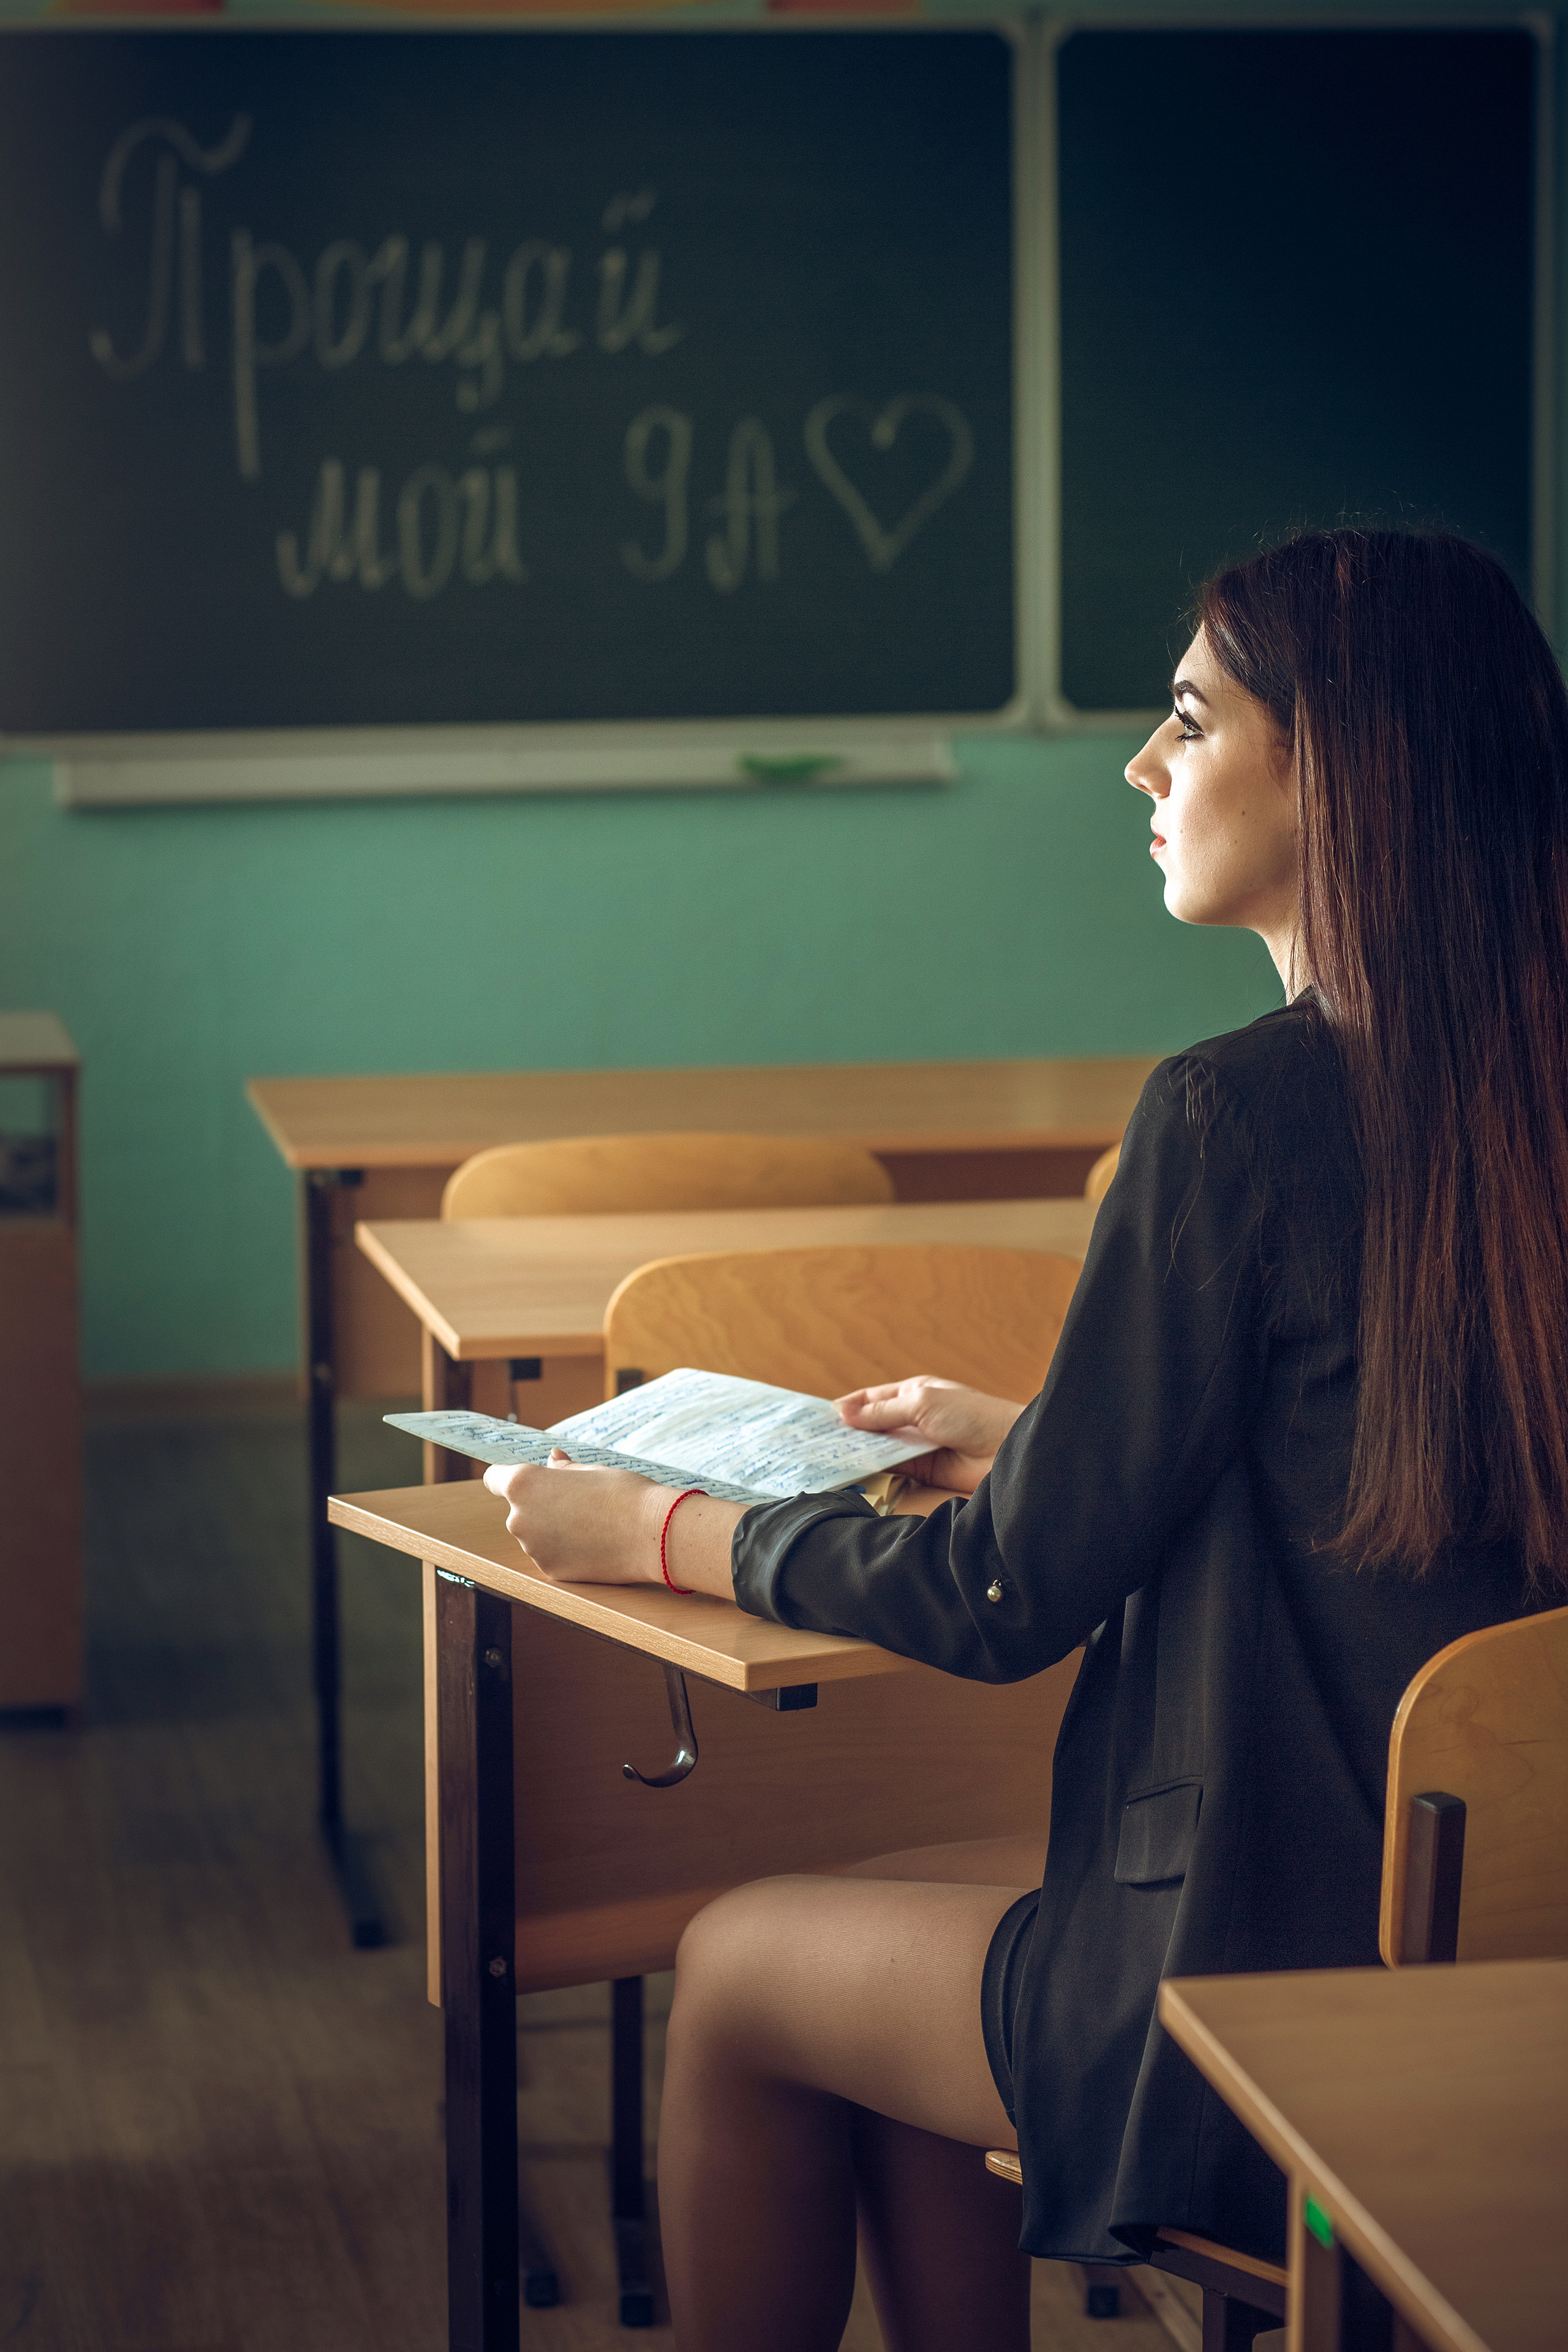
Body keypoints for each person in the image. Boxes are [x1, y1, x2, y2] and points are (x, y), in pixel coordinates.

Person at [484, 529, 1568, 2352]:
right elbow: (1397, 1476)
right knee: (911, 1956)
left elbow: (1000, 1601)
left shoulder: (1231, 1117)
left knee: (738, 1965)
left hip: (1268, 2004)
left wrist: (653, 1532)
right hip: (1512, 1984)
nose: (1141, 767)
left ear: (1341, 769)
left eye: (1189, 721)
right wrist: (1057, 1442)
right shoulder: (1520, 1098)